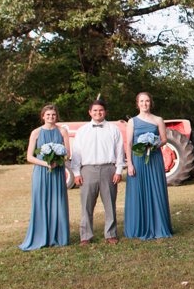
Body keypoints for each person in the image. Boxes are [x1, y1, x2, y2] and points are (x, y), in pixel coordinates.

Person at [71, 98, 125, 244]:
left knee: (109, 204)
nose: (98, 113)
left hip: (108, 168)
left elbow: (119, 151)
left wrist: (118, 170)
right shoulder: (82, 131)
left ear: (105, 112)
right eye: (95, 110)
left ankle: (111, 233)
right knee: (87, 205)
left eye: (100, 110)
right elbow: (76, 153)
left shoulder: (114, 129)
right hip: (87, 170)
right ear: (90, 112)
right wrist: (76, 173)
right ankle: (86, 236)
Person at [19, 104, 72, 250]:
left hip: (57, 172)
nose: (51, 117)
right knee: (41, 202)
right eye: (48, 115)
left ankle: (59, 236)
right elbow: (29, 157)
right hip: (41, 173)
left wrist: (59, 160)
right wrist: (45, 163)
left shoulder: (62, 131)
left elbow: (68, 153)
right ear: (43, 116)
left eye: (53, 115)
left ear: (57, 116)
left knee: (58, 202)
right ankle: (40, 236)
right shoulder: (36, 132)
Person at [124, 92, 174, 240]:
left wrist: (154, 143)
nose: (144, 104)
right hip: (138, 160)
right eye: (141, 101)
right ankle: (139, 227)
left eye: (147, 101)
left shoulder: (158, 119)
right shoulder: (132, 121)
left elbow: (164, 139)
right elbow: (129, 144)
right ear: (137, 103)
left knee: (156, 189)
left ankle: (159, 225)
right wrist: (130, 164)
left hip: (154, 159)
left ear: (150, 103)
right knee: (138, 192)